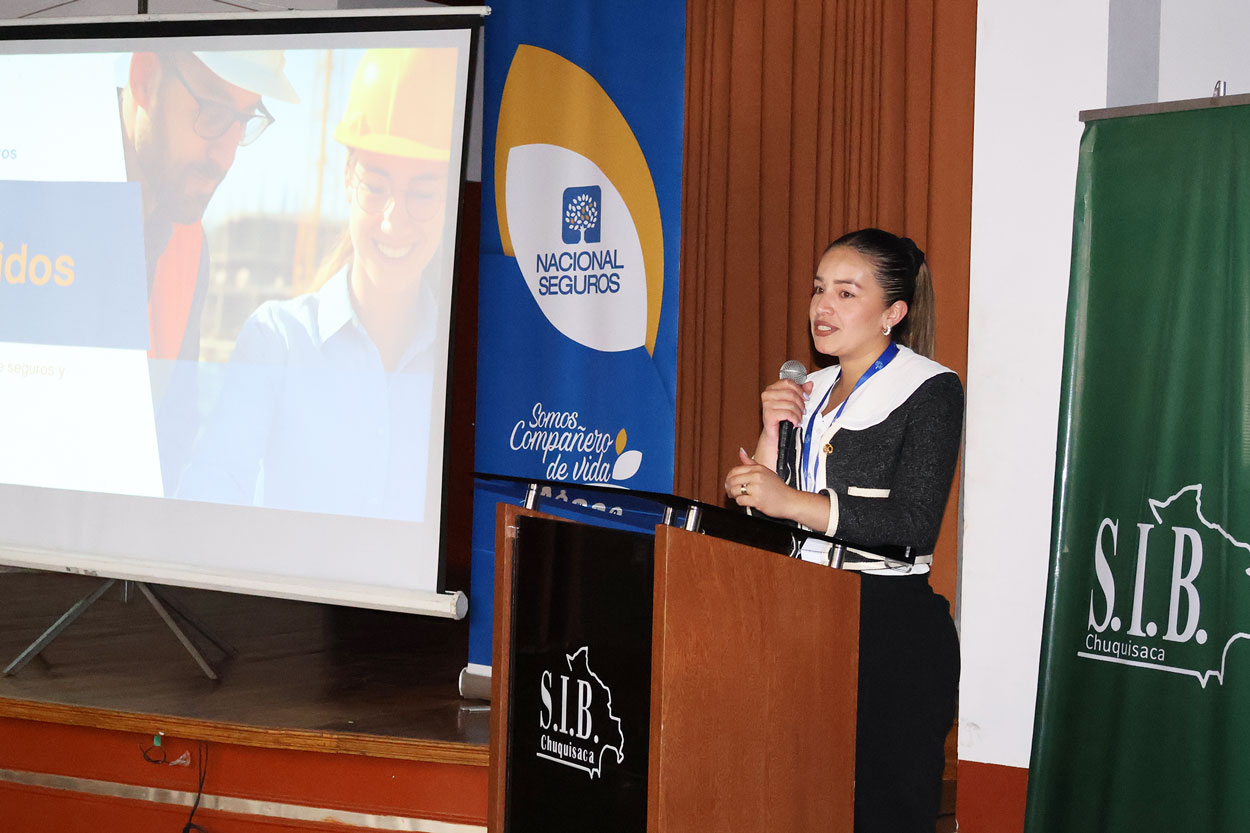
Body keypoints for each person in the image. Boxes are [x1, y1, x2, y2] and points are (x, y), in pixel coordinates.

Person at [723, 228, 963, 833]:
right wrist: (769, 443)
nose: (822, 307)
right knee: (796, 803)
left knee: (881, 813)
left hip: (886, 626)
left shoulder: (931, 389)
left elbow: (913, 523)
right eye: (818, 289)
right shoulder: (809, 389)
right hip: (800, 615)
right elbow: (768, 519)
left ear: (893, 313)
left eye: (846, 293)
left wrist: (792, 501)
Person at [175, 48, 457, 522]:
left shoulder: (460, 362)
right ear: (348, 179)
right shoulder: (276, 342)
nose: (394, 221)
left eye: (423, 193)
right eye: (376, 187)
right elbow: (210, 490)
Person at [120, 49, 299, 361]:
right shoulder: (47, 196)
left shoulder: (188, 246)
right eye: (213, 112)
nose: (226, 158)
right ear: (145, 78)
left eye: (243, 121)